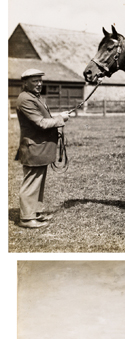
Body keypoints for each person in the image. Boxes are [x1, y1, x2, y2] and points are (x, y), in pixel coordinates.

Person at [15, 68, 70, 229]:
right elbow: (41, 123)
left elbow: (44, 118)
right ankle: (26, 218)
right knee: (31, 183)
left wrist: (58, 115)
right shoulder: (25, 99)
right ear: (25, 83)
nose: (39, 84)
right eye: (34, 81)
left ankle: (35, 213)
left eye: (40, 80)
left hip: (39, 148)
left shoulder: (33, 97)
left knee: (38, 182)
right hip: (34, 148)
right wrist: (60, 119)